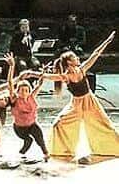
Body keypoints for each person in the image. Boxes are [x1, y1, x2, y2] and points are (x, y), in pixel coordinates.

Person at [38, 32, 119, 160]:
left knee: (105, 124)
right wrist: (35, 74)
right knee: (58, 123)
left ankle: (113, 148)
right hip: (76, 105)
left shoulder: (82, 69)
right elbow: (49, 77)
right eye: (75, 57)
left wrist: (107, 41)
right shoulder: (66, 76)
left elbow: (95, 54)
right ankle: (62, 151)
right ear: (69, 62)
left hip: (90, 102)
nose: (77, 58)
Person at [4, 53, 49, 161]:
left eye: (26, 90)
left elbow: (39, 84)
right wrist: (12, 66)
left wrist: (43, 73)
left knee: (40, 139)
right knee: (29, 141)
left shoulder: (31, 97)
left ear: (29, 91)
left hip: (32, 125)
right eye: (21, 90)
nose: (24, 92)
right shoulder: (15, 99)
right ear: (18, 91)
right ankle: (21, 154)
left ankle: (46, 154)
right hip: (20, 129)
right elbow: (9, 83)